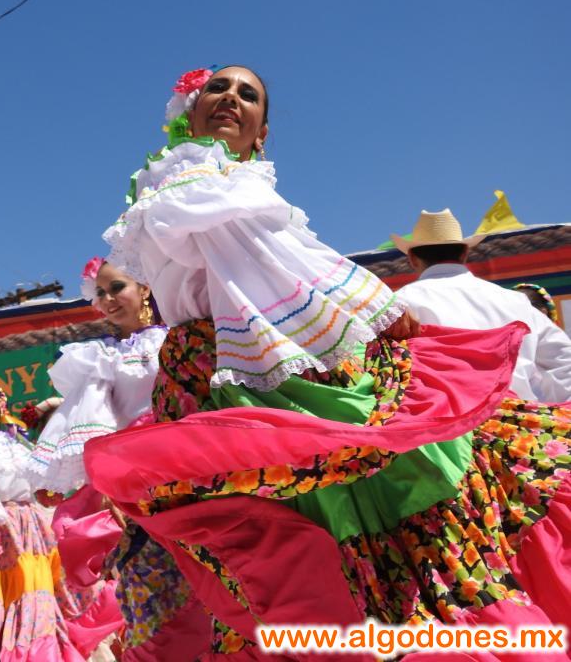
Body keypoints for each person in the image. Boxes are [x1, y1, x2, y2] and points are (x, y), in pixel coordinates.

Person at [85, 65, 571, 659]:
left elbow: (273, 258)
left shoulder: (219, 179)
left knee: (331, 528)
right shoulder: (189, 171)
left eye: (249, 95)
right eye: (218, 88)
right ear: (187, 110)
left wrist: (375, 307)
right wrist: (380, 304)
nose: (231, 98)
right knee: (353, 522)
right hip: (240, 375)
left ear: (262, 131)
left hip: (263, 370)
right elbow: (269, 256)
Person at [28, 258, 165, 659]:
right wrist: (104, 486)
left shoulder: (176, 339)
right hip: (131, 486)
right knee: (147, 591)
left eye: (117, 287)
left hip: (182, 473)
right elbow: (92, 429)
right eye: (100, 293)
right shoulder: (97, 357)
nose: (107, 299)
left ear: (146, 288)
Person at [0, 378, 87, 661]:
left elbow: (42, 486)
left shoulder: (19, 443)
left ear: (1, 401)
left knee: (35, 598)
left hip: (31, 530)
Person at [394, 209, 571, 402]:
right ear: (465, 253)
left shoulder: (400, 302)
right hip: (517, 422)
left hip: (444, 423)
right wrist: (546, 405)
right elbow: (563, 359)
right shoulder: (515, 301)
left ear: (411, 258)